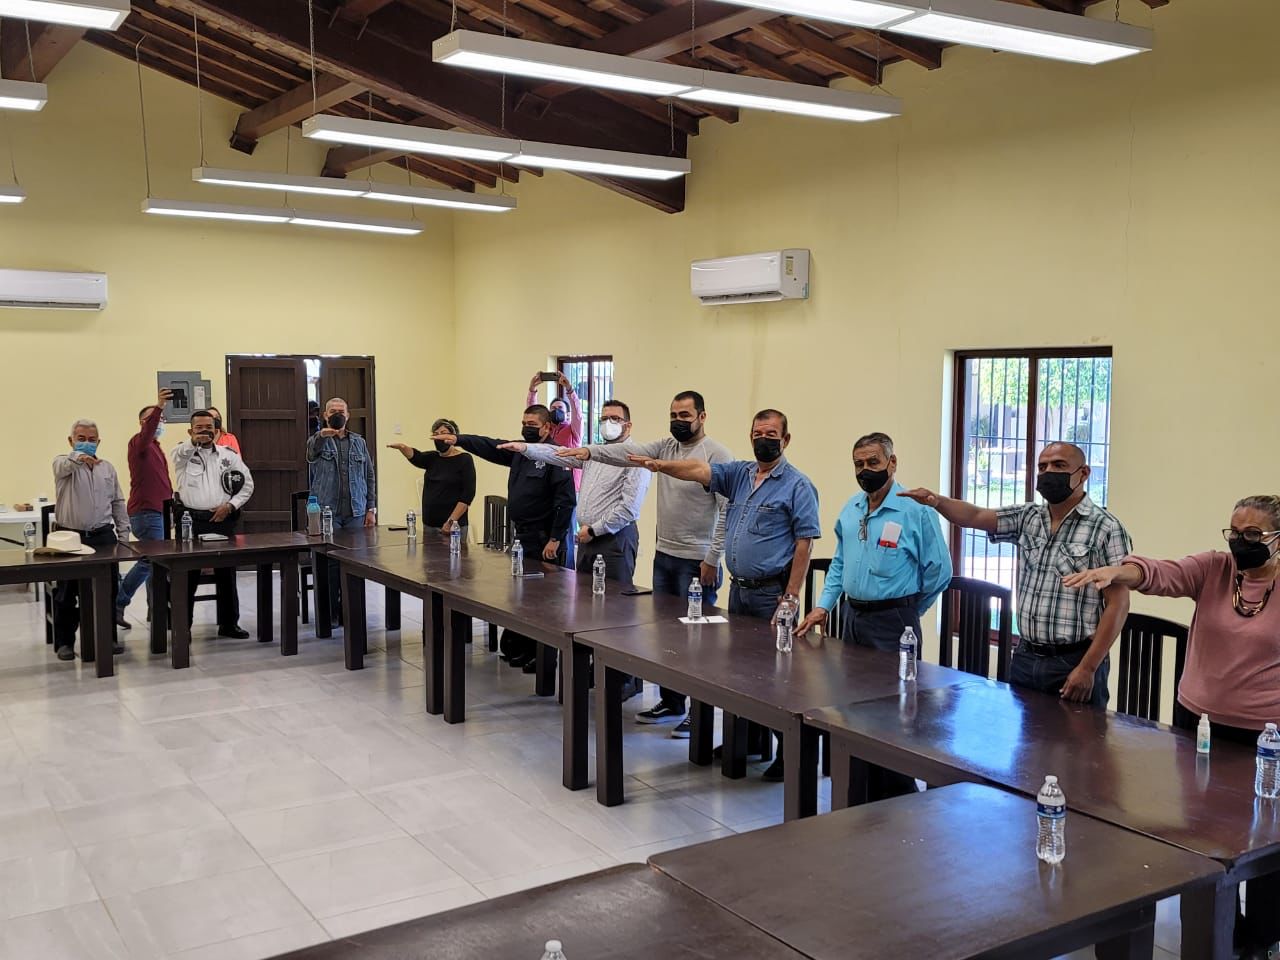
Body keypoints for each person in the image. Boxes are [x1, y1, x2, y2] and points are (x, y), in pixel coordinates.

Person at [1063, 493, 1280, 958]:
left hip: (1266, 738)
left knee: (1267, 840)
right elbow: (1161, 573)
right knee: (1201, 835)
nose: (1241, 542)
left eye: (1253, 535)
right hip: (1200, 726)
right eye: (1235, 532)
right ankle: (1214, 934)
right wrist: (1119, 572)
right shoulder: (1215, 569)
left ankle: (1260, 941)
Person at [629, 408, 820, 781]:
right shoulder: (741, 474)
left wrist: (791, 596)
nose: (763, 439)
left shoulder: (798, 485)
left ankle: (789, 755)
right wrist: (660, 466)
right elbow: (700, 470)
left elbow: (805, 543)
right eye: (757, 433)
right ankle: (748, 742)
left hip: (772, 595)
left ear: (785, 439)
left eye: (771, 434)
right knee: (742, 675)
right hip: (740, 592)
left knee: (775, 678)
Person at [899, 441, 1131, 707]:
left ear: (1084, 473)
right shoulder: (1028, 516)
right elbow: (975, 516)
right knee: (1025, 733)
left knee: (1077, 735)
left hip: (1074, 661)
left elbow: (1119, 604)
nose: (1048, 472)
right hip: (1025, 657)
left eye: (1059, 465)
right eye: (1042, 467)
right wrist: (937, 501)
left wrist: (1088, 668)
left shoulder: (1106, 528)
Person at [559, 389, 730, 738]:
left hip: (698, 561)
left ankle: (698, 715)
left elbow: (727, 511)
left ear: (702, 416)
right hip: (665, 555)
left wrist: (713, 558)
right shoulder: (665, 447)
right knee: (666, 636)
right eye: (674, 415)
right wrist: (590, 451)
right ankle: (672, 702)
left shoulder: (717, 454)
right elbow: (626, 453)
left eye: (685, 415)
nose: (678, 421)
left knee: (696, 641)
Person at [795, 431, 951, 800]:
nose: (865, 470)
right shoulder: (852, 509)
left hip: (894, 622)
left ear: (892, 464)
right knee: (853, 703)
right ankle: (859, 786)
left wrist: (909, 610)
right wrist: (823, 605)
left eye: (873, 462)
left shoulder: (915, 511)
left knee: (893, 709)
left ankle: (898, 792)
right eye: (859, 464)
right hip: (853, 618)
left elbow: (940, 571)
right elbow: (839, 563)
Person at [442, 406, 576, 675]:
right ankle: (524, 648)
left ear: (547, 427)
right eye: (524, 422)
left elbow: (566, 501)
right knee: (523, 597)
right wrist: (460, 439)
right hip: (523, 536)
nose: (526, 427)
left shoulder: (555, 455)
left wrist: (555, 538)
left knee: (544, 602)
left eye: (532, 424)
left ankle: (543, 657)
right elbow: (490, 446)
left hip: (544, 538)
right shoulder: (520, 451)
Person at [504, 400, 650, 586]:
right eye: (604, 419)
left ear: (628, 425)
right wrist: (526, 448)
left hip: (613, 539)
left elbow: (629, 508)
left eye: (615, 418)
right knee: (584, 597)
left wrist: (594, 530)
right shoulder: (595, 452)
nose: (608, 423)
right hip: (586, 538)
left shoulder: (636, 457)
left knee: (612, 598)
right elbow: (561, 454)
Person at [51, 418, 130, 661]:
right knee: (67, 592)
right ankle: (65, 642)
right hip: (70, 537)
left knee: (108, 589)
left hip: (103, 535)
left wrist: (124, 534)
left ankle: (107, 638)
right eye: (81, 439)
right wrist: (79, 456)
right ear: (71, 441)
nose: (87, 443)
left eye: (92, 440)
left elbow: (117, 501)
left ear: (99, 442)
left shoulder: (107, 468)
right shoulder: (62, 463)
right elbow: (64, 466)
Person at [171, 410, 255, 639]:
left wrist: (231, 505)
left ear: (216, 430)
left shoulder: (229, 455)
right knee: (187, 576)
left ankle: (229, 624)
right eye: (199, 428)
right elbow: (178, 454)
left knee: (227, 573)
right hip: (191, 522)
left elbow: (247, 485)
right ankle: (183, 628)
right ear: (190, 431)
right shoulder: (182, 453)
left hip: (222, 519)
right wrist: (193, 443)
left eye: (209, 427)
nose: (204, 432)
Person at [307, 397, 377, 622]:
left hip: (355, 511)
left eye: (341, 411)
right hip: (327, 512)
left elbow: (369, 476)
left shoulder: (359, 442)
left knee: (355, 561)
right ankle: (330, 612)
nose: (337, 414)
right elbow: (311, 454)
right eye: (333, 411)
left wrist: (371, 508)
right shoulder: (318, 440)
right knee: (330, 563)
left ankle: (351, 611)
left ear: (348, 415)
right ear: (325, 415)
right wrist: (322, 435)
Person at [116, 388, 174, 627]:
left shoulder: (155, 448)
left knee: (156, 563)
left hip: (159, 512)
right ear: (143, 423)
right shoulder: (138, 443)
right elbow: (148, 432)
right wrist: (159, 406)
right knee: (151, 560)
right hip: (147, 512)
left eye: (161, 419)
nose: (160, 422)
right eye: (156, 419)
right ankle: (118, 602)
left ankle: (156, 610)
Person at [387, 418, 477, 533]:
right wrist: (402, 447)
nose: (439, 437)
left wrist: (450, 522)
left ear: (454, 437)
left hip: (453, 527)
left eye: (443, 433)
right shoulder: (433, 458)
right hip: (429, 525)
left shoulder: (465, 459)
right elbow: (416, 456)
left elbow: (467, 495)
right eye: (436, 434)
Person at [527, 371, 583, 450]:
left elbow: (577, 411)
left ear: (568, 414)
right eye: (553, 408)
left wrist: (569, 389)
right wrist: (532, 389)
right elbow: (533, 413)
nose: (556, 410)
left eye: (560, 408)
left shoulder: (574, 430)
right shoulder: (545, 429)